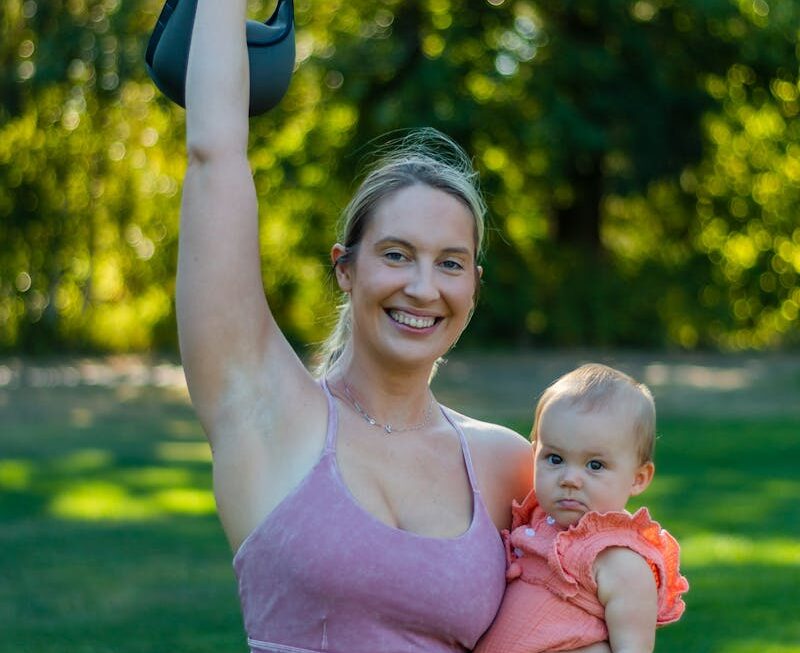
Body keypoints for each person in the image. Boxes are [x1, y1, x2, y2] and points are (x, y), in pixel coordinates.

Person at [176, 2, 614, 652]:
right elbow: (216, 154)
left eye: (450, 263)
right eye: (396, 254)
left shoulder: (507, 466)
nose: (423, 286)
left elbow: (579, 607)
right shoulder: (266, 412)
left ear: (473, 288)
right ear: (345, 269)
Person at [475, 363, 689, 653]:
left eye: (595, 465)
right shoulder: (536, 521)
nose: (570, 479)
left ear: (638, 479)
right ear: (534, 451)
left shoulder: (618, 559)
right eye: (554, 459)